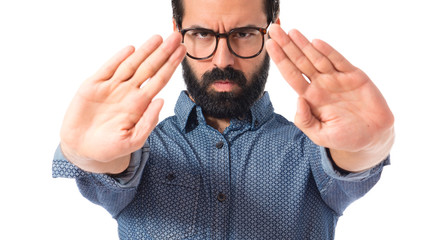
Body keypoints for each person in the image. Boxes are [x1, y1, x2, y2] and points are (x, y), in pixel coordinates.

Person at [52, 0, 395, 239]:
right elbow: (112, 166)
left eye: (243, 33)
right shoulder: (143, 147)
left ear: (272, 27)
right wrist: (86, 155)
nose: (223, 59)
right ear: (178, 30)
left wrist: (369, 147)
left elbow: (349, 163)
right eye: (202, 34)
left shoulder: (309, 150)